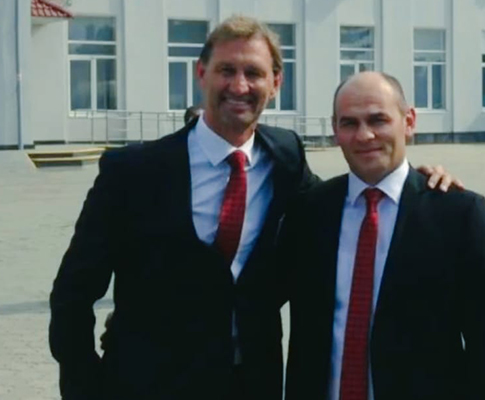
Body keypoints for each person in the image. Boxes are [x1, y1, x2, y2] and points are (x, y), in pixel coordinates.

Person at [49, 16, 461, 400]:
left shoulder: (285, 158)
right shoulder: (132, 172)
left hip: (252, 385)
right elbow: (73, 293)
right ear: (201, 74)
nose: (240, 85)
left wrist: (413, 184)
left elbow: (339, 204)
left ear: (276, 82)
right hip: (145, 384)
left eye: (254, 73)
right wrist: (85, 384)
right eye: (226, 70)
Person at [280, 72, 485, 400]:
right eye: (349, 123)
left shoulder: (459, 214)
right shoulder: (310, 211)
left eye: (378, 120)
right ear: (335, 131)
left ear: (409, 121)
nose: (365, 135)